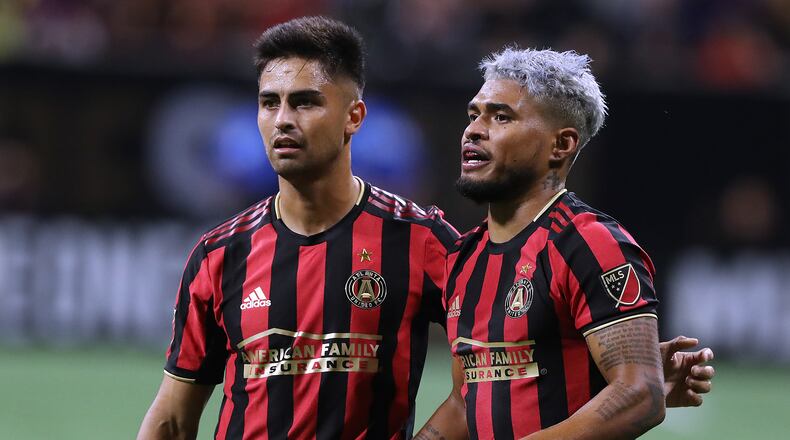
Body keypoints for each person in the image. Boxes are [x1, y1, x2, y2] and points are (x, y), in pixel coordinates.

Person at [138, 17, 714, 440]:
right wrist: (627, 382)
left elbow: (518, 352)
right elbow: (172, 418)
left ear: (354, 116)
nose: (283, 119)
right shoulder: (219, 254)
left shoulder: (427, 243)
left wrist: (626, 377)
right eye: (270, 103)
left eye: (306, 102)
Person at [417, 47, 715, 440]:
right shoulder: (463, 257)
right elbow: (464, 400)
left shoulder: (591, 244)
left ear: (562, 145)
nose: (474, 130)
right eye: (474, 115)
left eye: (501, 117)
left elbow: (640, 393)